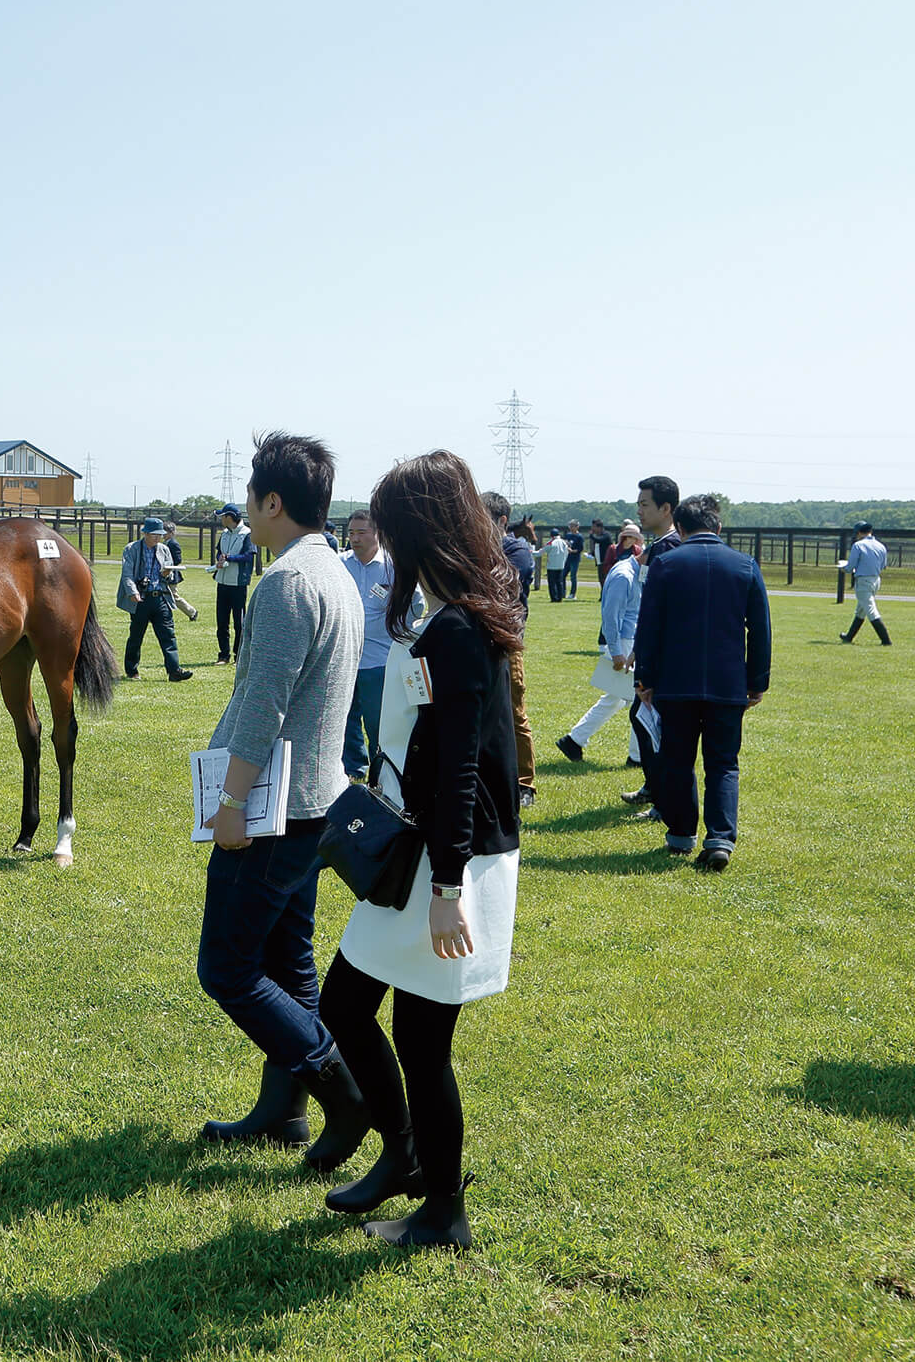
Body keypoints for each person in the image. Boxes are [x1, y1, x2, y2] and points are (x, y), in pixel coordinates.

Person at [318, 449, 522, 1251]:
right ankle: (405, 1160)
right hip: (422, 851)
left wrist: (446, 889)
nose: (384, 542)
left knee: (422, 1041)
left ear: (422, 530)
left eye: (393, 527)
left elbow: (465, 765)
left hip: (449, 863)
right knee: (348, 1005)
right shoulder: (450, 615)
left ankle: (442, 1211)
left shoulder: (461, 628)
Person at [195, 433, 368, 1173]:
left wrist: (230, 802)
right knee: (287, 956)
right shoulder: (335, 572)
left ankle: (345, 1094)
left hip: (273, 811)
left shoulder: (287, 582)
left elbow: (263, 703)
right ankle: (284, 1111)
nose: (244, 515)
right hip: (313, 804)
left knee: (227, 969)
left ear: (274, 502)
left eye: (249, 500)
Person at [634, 494, 771, 870]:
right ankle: (720, 838)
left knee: (677, 760)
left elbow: (649, 627)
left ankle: (680, 834)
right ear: (719, 527)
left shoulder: (665, 563)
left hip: (675, 682)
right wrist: (757, 680)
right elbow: (759, 629)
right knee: (723, 763)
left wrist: (644, 676)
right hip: (728, 683)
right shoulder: (745, 565)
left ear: (679, 527)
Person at [340, 508, 423, 781]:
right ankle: (353, 767)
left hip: (380, 659)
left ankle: (382, 767)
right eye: (351, 532)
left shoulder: (393, 567)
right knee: (345, 718)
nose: (355, 538)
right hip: (345, 657)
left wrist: (400, 634)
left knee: (378, 719)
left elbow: (416, 604)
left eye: (361, 532)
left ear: (377, 534)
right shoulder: (341, 564)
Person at [555, 522, 645, 763]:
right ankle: (636, 757)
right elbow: (610, 617)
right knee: (638, 699)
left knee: (618, 698)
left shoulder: (637, 571)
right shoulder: (623, 576)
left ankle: (574, 740)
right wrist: (616, 652)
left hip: (630, 641)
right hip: (624, 643)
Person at [620, 475, 683, 812]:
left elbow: (664, 610)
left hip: (664, 657)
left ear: (666, 508)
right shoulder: (658, 547)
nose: (639, 511)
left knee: (649, 720)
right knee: (642, 717)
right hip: (650, 648)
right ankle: (654, 786)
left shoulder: (671, 549)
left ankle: (662, 795)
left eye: (645, 504)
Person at [484, 494, 538, 808]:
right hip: (477, 639)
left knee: (514, 712)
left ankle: (524, 783)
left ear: (502, 522)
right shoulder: (477, 548)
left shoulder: (515, 549)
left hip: (506, 643)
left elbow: (505, 585)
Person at [118, 519, 192, 682]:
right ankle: (132, 670)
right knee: (136, 636)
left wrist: (167, 574)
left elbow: (170, 573)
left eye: (160, 535)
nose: (157, 538)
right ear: (145, 533)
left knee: (168, 635)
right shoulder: (131, 549)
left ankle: (174, 671)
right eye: (154, 535)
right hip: (140, 599)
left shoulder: (164, 549)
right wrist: (133, 591)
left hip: (160, 597)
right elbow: (127, 574)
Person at [213, 504, 254, 664]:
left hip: (238, 584)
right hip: (222, 582)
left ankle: (239, 655)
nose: (221, 519)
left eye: (222, 516)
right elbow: (219, 551)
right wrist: (220, 558)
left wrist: (229, 558)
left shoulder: (247, 534)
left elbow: (248, 556)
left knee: (239, 622)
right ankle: (223, 655)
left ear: (229, 517)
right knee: (221, 621)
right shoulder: (224, 534)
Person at [841, 522, 891, 645]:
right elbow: (883, 566)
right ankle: (849, 637)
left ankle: (886, 640)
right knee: (861, 610)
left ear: (858, 533)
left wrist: (843, 567)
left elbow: (850, 566)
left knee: (870, 610)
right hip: (876, 580)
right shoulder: (881, 546)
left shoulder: (858, 546)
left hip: (863, 580)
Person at [162, 522, 199, 620]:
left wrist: (167, 565)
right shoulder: (164, 543)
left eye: (166, 532)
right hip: (163, 573)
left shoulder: (173, 544)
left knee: (173, 596)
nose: (163, 534)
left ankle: (192, 612)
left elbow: (178, 560)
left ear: (171, 532)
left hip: (171, 574)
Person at [542, 528, 569, 603]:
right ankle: (560, 598)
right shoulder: (564, 542)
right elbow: (567, 552)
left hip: (551, 566)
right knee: (559, 582)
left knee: (552, 583)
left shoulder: (551, 543)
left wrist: (531, 552)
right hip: (561, 566)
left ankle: (554, 598)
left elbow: (541, 552)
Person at [562, 520, 586, 600]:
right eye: (570, 526)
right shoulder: (568, 535)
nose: (571, 528)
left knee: (573, 576)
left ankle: (572, 594)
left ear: (577, 527)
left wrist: (572, 551)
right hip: (567, 558)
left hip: (574, 559)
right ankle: (562, 592)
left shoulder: (579, 537)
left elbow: (580, 549)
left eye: (573, 526)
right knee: (562, 575)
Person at [588, 519, 614, 590]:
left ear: (599, 527)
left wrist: (591, 535)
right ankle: (602, 594)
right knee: (601, 579)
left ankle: (606, 594)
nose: (592, 529)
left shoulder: (606, 535)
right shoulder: (597, 536)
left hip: (606, 561)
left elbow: (599, 540)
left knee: (605, 579)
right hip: (599, 561)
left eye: (594, 527)